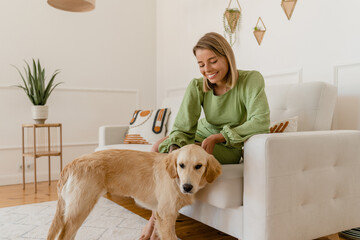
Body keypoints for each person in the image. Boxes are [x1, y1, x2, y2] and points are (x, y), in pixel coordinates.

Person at [140, 32, 270, 240]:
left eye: (213, 61)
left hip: (227, 144)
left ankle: (152, 229)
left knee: (190, 156)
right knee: (159, 149)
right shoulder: (197, 85)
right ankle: (158, 222)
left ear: (227, 57)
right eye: (201, 64)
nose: (207, 69)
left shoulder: (250, 80)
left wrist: (217, 137)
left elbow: (260, 122)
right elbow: (182, 127)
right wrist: (175, 154)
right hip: (199, 135)